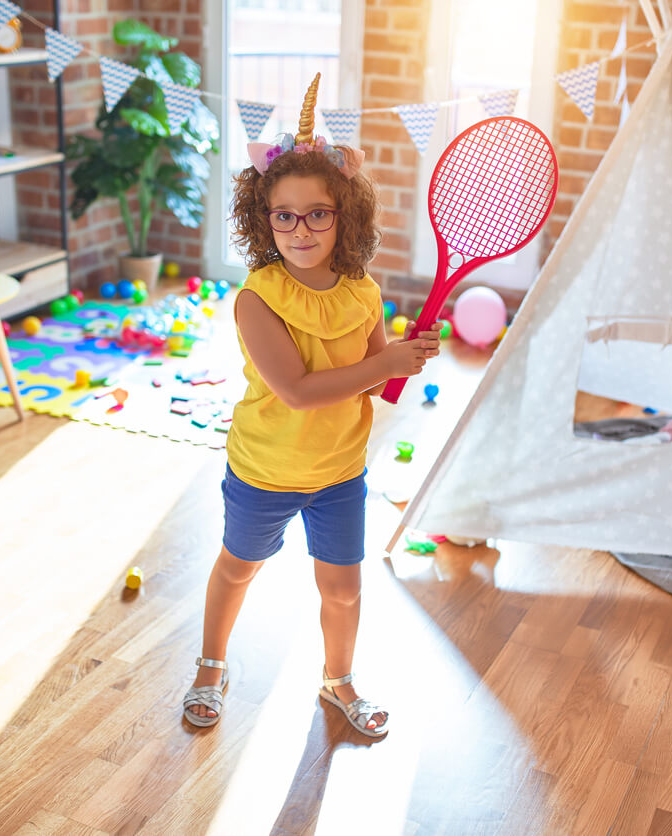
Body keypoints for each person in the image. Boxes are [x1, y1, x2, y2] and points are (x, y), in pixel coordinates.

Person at [182, 75, 441, 738]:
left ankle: (338, 680)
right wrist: (382, 363)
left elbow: (377, 385)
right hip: (266, 468)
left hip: (337, 472)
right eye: (284, 215)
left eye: (318, 213)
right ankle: (211, 665)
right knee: (237, 568)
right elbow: (295, 391)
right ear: (263, 220)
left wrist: (405, 359)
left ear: (343, 216)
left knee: (344, 589)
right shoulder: (256, 298)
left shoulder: (361, 291)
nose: (300, 228)